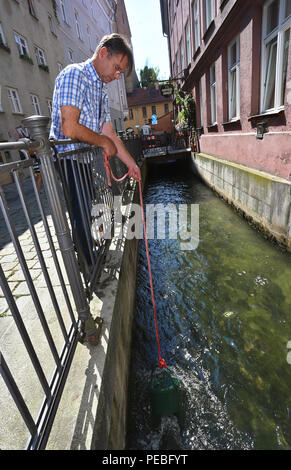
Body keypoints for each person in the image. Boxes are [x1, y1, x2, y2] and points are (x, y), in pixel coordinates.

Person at [49, 33, 141, 269]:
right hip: (66, 158)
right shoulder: (75, 74)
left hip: (82, 158)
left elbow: (110, 134)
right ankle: (89, 268)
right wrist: (101, 141)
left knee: (89, 209)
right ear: (103, 53)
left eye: (121, 72)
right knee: (80, 213)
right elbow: (70, 126)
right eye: (117, 67)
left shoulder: (100, 88)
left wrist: (131, 164)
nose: (117, 75)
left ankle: (90, 258)